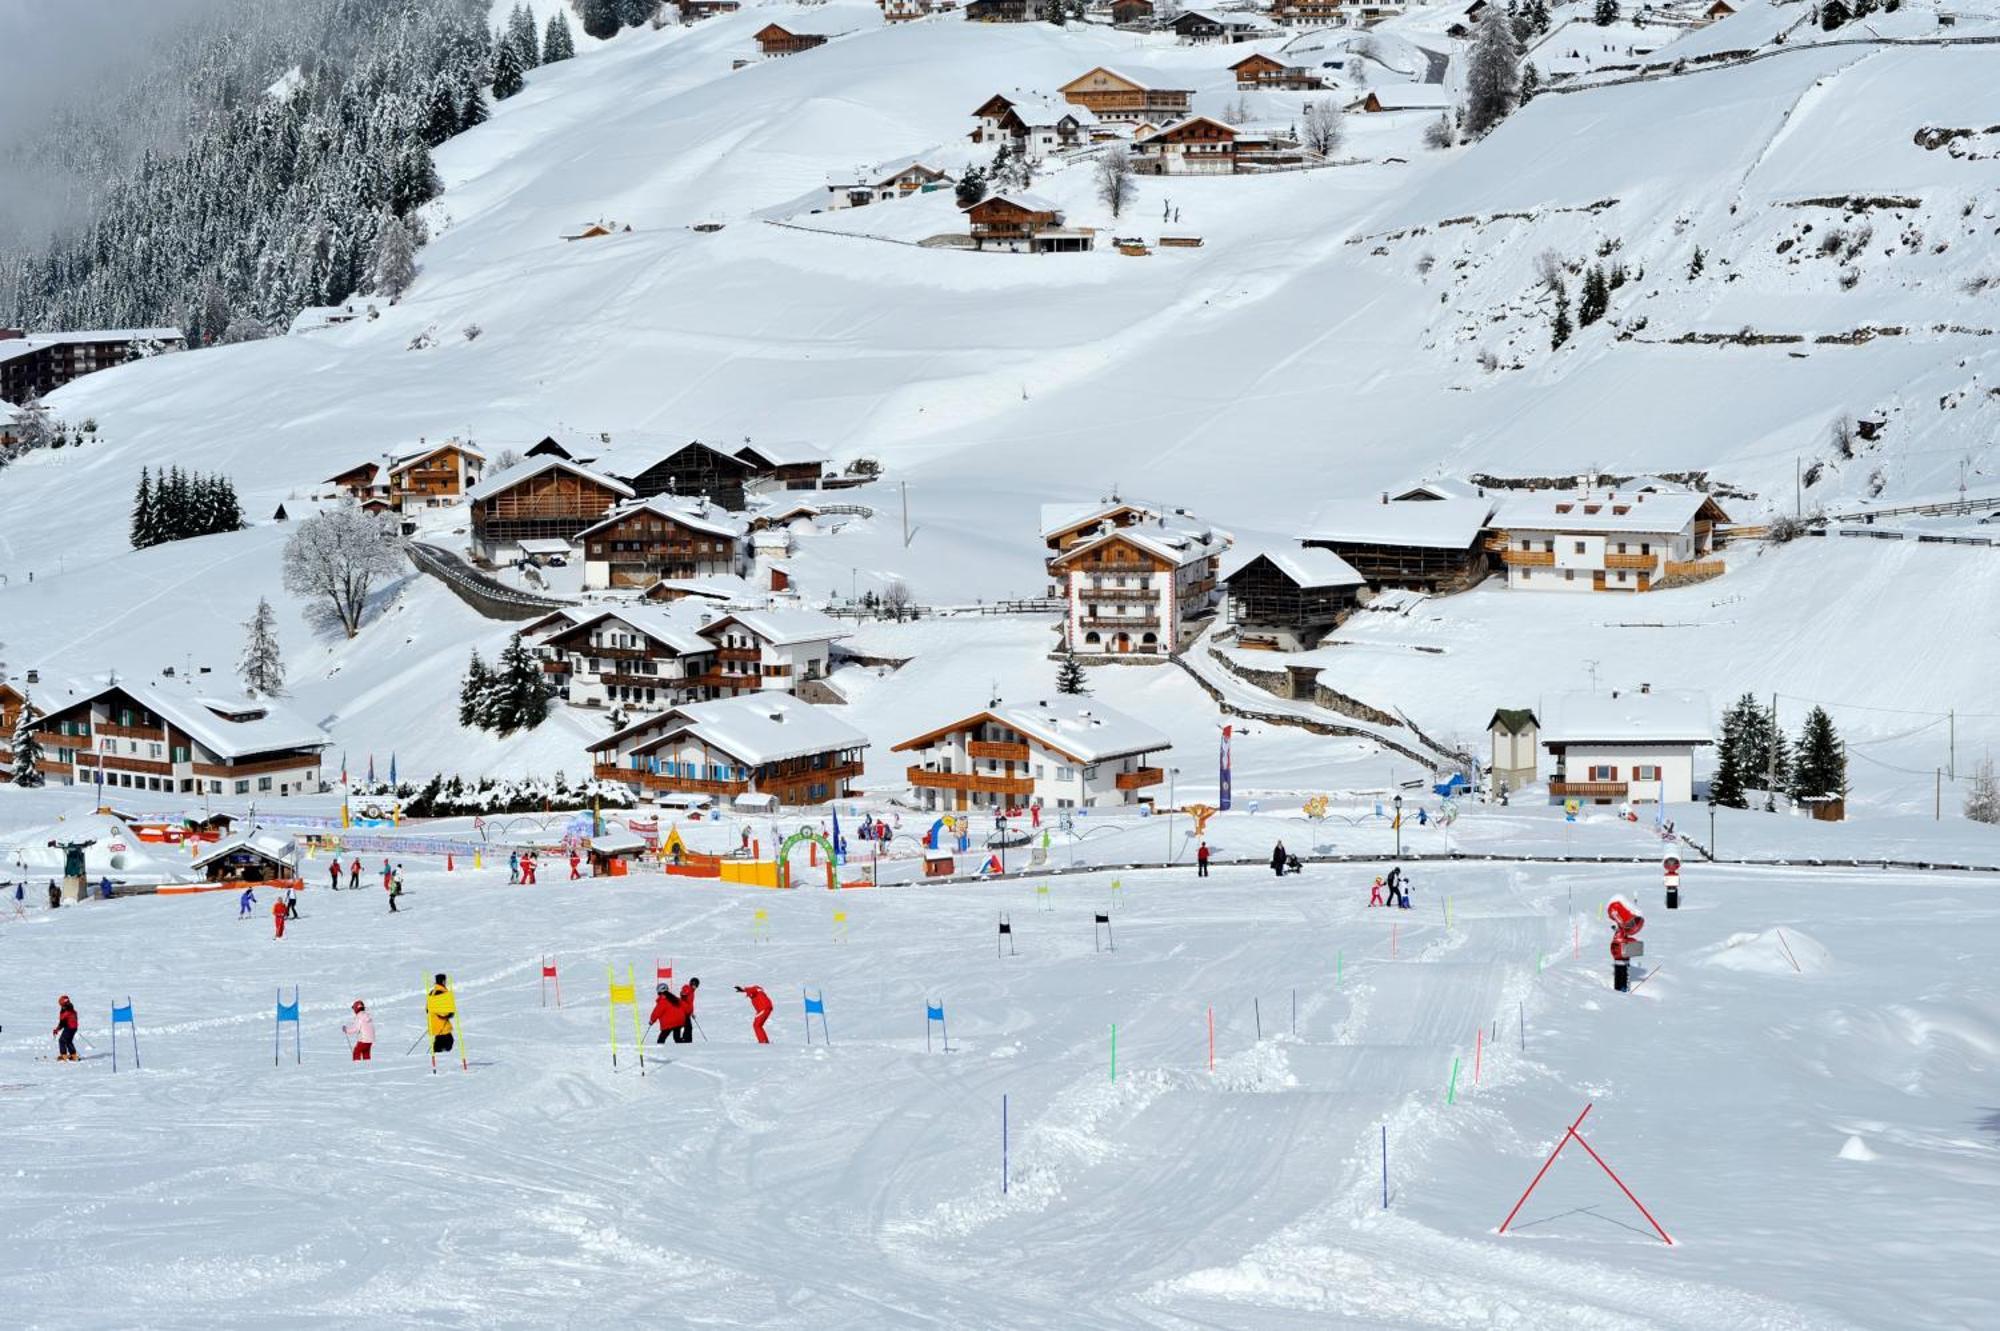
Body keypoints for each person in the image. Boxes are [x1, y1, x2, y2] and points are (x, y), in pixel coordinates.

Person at [426, 975, 455, 1056]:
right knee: (448, 1042)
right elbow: (441, 1011)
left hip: (434, 1022)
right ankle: (441, 1060)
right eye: (445, 980)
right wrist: (449, 1014)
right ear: (443, 981)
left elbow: (427, 1009)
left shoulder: (432, 992)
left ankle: (436, 1057)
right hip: (441, 1023)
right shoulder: (441, 992)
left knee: (440, 1041)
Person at [53, 995, 80, 1061]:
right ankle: (74, 1055)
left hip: (69, 1028)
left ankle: (64, 1055)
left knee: (61, 1041)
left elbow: (62, 1023)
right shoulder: (72, 1010)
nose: (61, 1006)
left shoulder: (66, 1012)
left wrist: (57, 1029)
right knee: (68, 1041)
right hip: (74, 1028)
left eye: (61, 1004)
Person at [673, 978, 700, 1043]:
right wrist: (683, 993)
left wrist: (692, 1013)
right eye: (693, 984)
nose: (694, 986)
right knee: (687, 1026)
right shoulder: (687, 987)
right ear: (691, 983)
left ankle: (686, 1040)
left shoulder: (692, 993)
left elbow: (690, 1004)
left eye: (696, 985)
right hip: (682, 1011)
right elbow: (683, 992)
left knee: (688, 1027)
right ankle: (686, 1040)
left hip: (687, 1012)